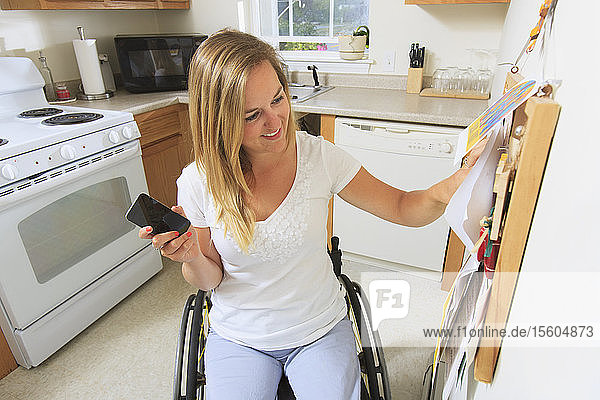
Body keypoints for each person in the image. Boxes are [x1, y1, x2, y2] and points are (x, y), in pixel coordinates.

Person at [138, 29, 486, 400]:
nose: (276, 123)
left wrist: (454, 185)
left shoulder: (319, 157)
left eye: (278, 99)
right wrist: (190, 255)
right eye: (253, 115)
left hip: (318, 328)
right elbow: (209, 280)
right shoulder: (197, 181)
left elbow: (403, 207)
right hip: (240, 336)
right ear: (220, 122)